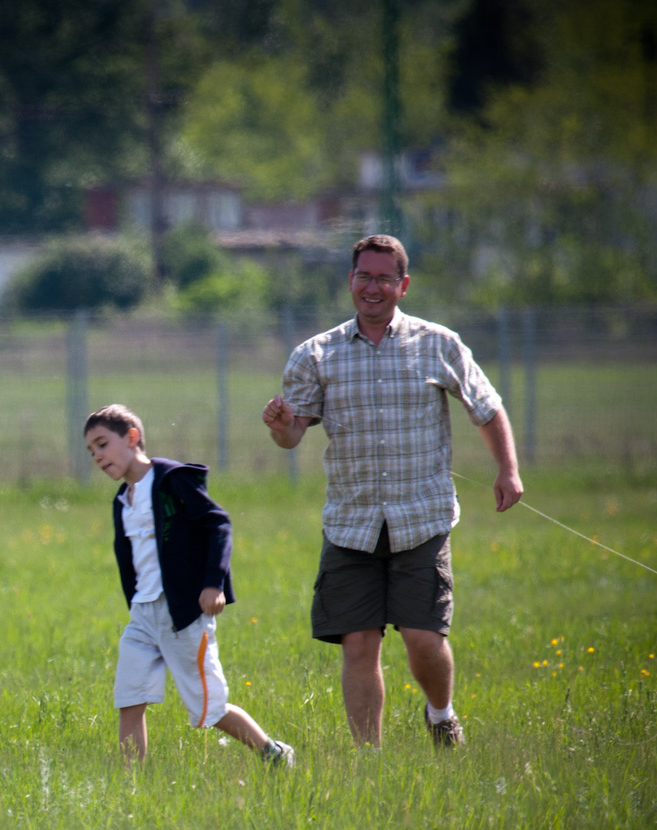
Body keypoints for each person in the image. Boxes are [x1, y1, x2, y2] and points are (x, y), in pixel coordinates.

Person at [262, 234, 523, 749]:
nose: (373, 287)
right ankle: (369, 761)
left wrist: (507, 470)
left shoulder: (437, 343)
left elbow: (486, 407)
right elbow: (292, 435)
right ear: (350, 281)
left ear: (402, 285)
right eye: (364, 276)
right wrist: (280, 424)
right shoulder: (316, 353)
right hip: (350, 522)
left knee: (424, 640)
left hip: (420, 516)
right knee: (358, 643)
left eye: (384, 278)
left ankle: (441, 714)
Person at [84, 404, 295, 767]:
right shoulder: (123, 500)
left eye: (102, 444)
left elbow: (218, 525)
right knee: (129, 699)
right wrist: (136, 602)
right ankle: (129, 788)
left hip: (181, 614)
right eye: (91, 451)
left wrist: (214, 583)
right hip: (142, 616)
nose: (97, 456)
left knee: (208, 709)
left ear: (132, 438)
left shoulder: (171, 480)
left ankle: (273, 754)